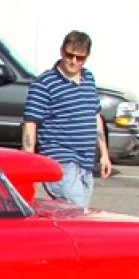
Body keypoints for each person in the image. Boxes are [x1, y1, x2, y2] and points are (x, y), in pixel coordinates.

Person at [21, 30, 112, 207]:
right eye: (70, 55)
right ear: (62, 51)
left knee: (77, 215)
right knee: (77, 210)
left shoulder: (88, 78)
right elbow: (30, 124)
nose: (73, 61)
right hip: (61, 161)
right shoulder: (44, 83)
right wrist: (28, 164)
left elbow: (95, 116)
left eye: (80, 58)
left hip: (85, 162)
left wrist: (104, 154)